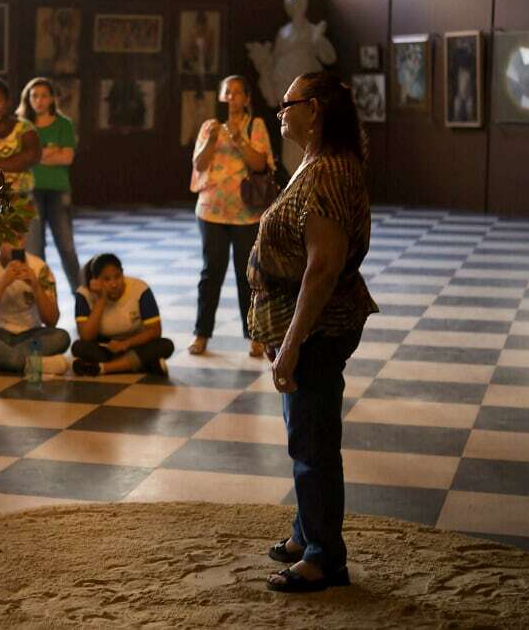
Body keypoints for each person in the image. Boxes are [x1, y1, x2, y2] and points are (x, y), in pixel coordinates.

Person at [250, 72, 378, 593]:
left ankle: (325, 558)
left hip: (318, 329)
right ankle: (306, 532)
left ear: (316, 109)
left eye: (289, 102)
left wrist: (292, 345)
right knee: (304, 432)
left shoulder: (329, 172)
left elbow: (323, 268)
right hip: (306, 326)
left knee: (313, 445)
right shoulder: (317, 161)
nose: (280, 111)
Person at [188, 75, 274, 358]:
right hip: (211, 211)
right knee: (211, 272)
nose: (231, 97)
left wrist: (238, 139)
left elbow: (260, 164)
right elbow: (199, 164)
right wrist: (213, 139)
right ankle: (201, 333)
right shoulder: (209, 126)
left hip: (245, 213)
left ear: (247, 99)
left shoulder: (255, 125)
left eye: (237, 92)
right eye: (227, 92)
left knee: (246, 274)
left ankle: (255, 335)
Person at [247, 0, 336, 175]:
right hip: (286, 84)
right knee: (290, 136)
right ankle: (294, 177)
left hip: (307, 91)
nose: (296, 8)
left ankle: (309, 174)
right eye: (293, 5)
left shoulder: (312, 30)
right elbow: (275, 58)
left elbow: (329, 57)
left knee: (309, 133)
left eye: (299, 4)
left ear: (304, 5)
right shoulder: (283, 33)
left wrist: (318, 40)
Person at [0, 242, 69, 375]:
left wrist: (36, 286)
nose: (18, 244)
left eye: (20, 237)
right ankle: (31, 363)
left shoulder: (39, 267)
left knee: (61, 337)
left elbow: (52, 321)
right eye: (11, 239)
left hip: (31, 336)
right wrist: (2, 283)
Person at [17, 77, 81, 292]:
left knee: (67, 247)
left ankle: (81, 295)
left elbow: (67, 157)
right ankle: (40, 296)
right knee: (34, 248)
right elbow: (20, 158)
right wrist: (49, 152)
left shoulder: (64, 124)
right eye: (34, 96)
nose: (39, 100)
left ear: (53, 98)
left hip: (58, 191)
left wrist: (35, 155)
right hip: (30, 191)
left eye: (44, 96)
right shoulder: (21, 125)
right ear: (28, 98)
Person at [72, 254, 173, 377]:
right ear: (95, 281)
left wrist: (125, 344)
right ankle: (141, 364)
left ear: (123, 273)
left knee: (165, 345)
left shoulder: (140, 289)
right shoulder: (84, 293)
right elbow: (86, 336)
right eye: (106, 279)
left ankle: (104, 368)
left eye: (117, 276)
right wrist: (101, 299)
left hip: (136, 344)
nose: (114, 284)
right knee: (79, 347)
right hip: (106, 347)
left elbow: (155, 331)